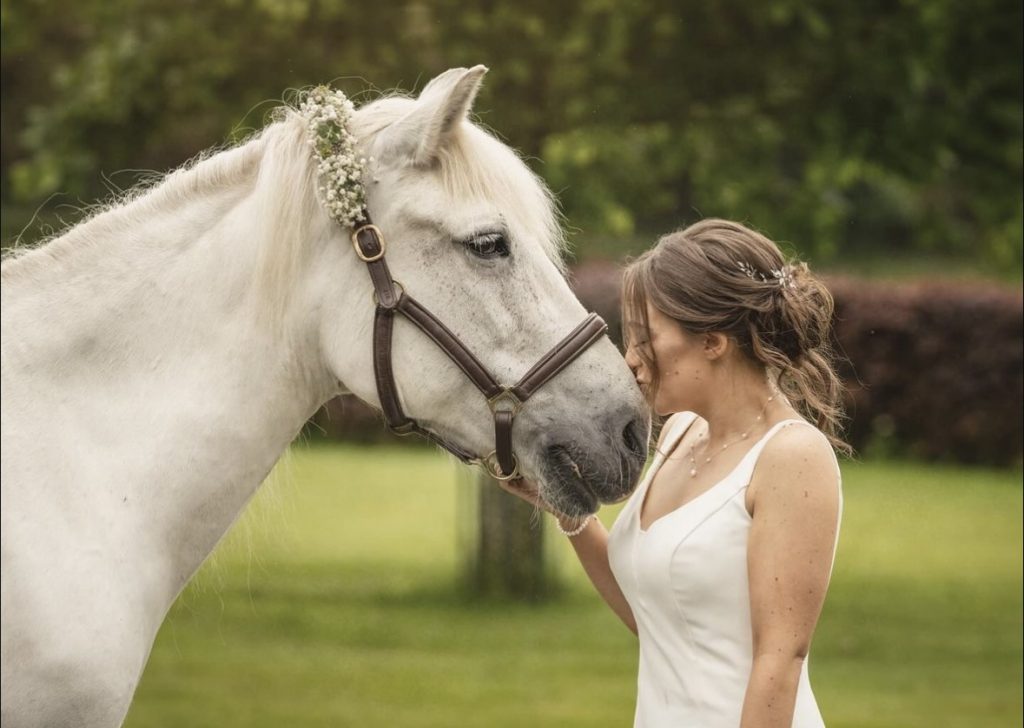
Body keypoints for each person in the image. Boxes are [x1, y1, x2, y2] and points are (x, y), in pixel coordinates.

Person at [501, 219, 848, 727]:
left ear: (713, 341)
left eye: (645, 339)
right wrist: (568, 511)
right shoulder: (680, 432)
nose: (630, 360)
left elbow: (780, 660)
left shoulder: (792, 456)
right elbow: (655, 619)